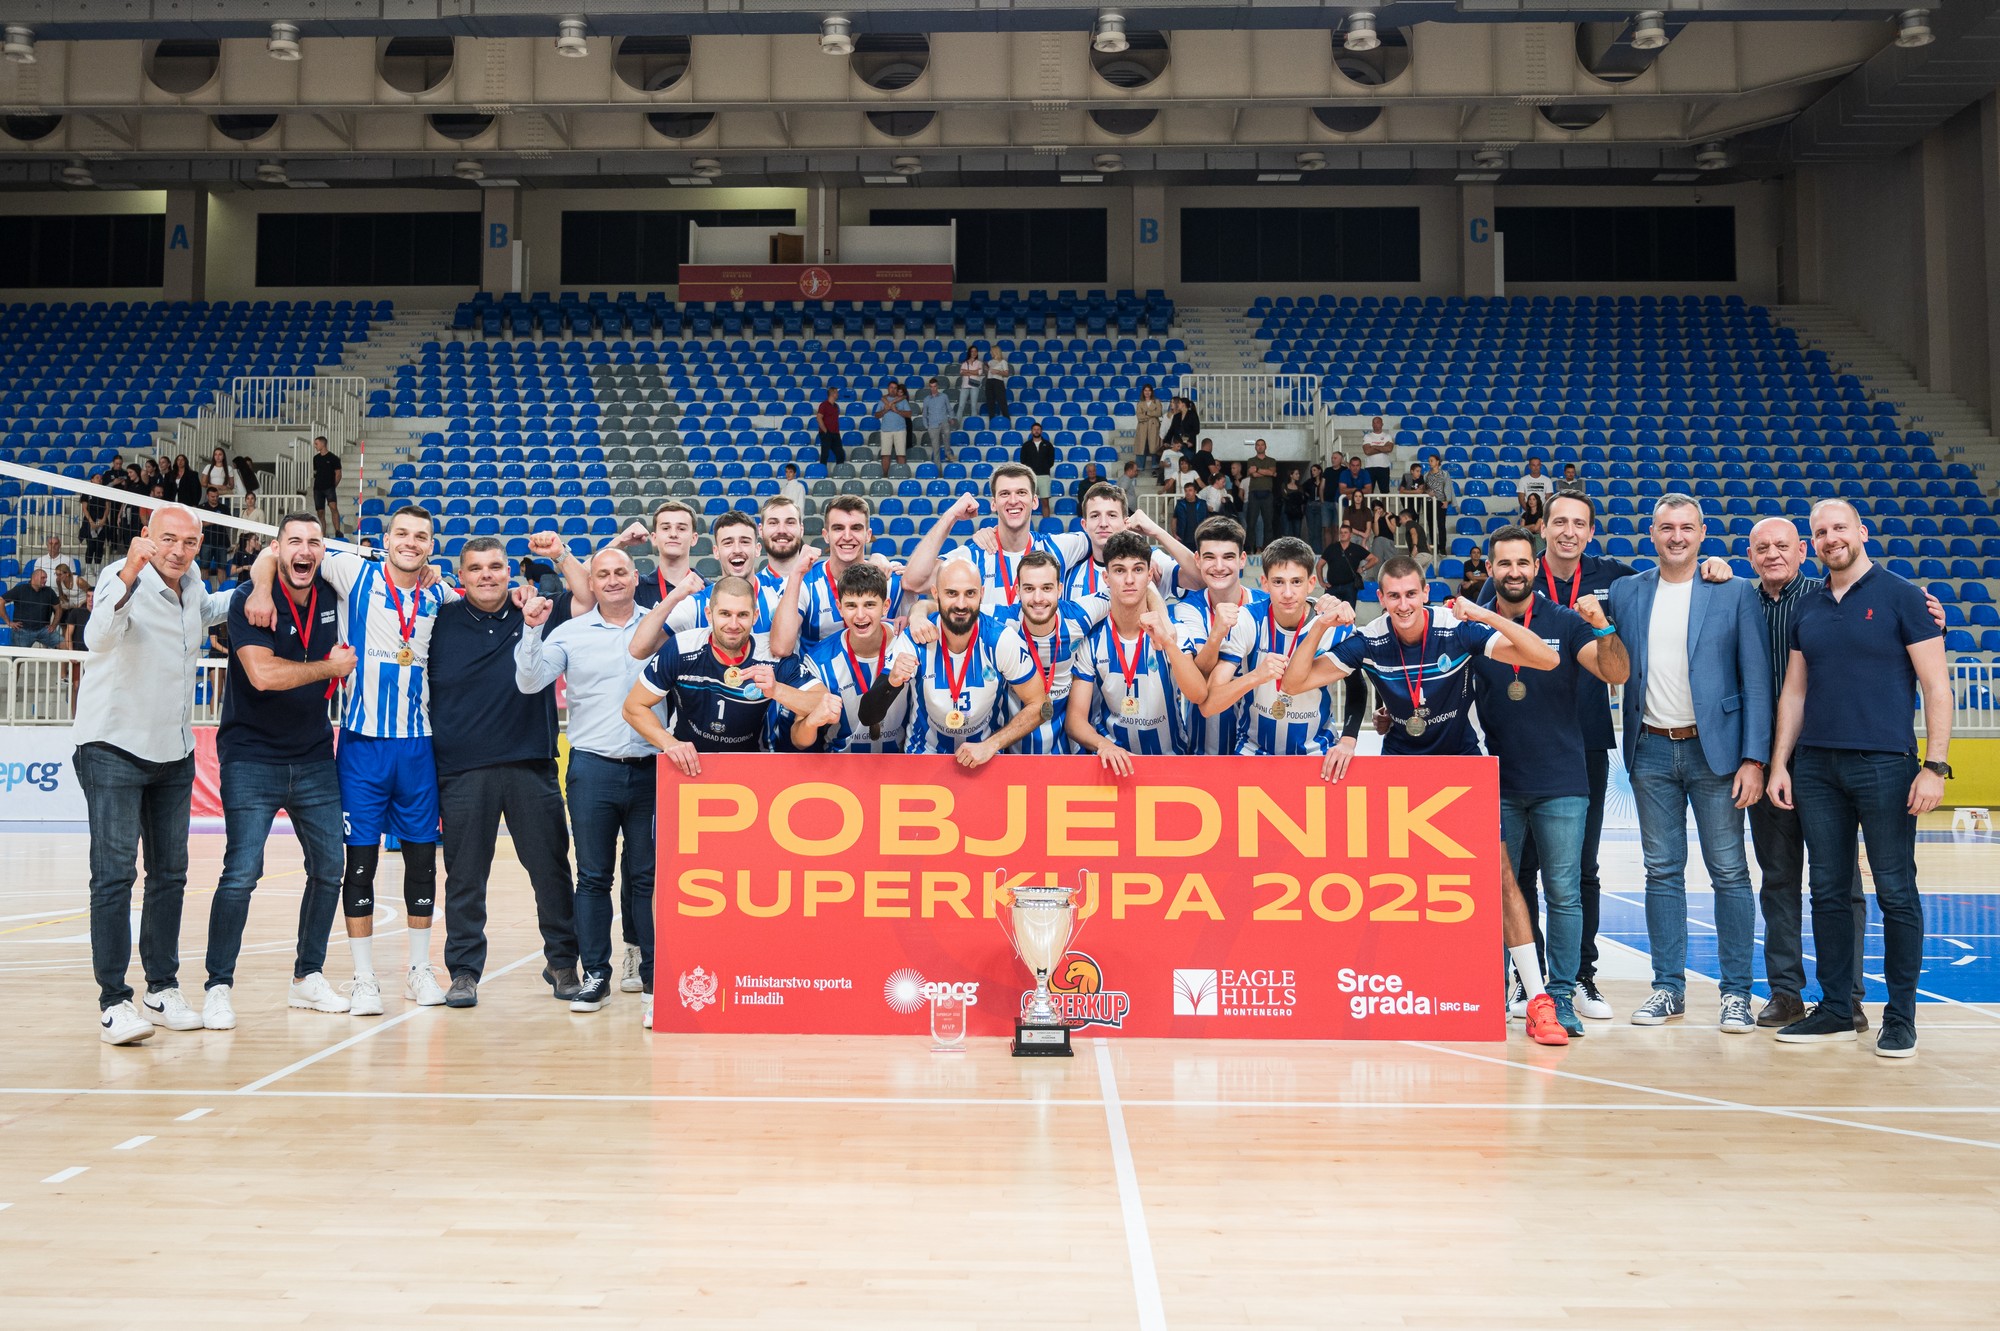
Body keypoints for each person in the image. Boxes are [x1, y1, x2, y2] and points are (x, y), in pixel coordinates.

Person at [1290, 557, 1570, 1046]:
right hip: (1403, 767)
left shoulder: (1455, 629)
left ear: (1425, 593)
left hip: (1462, 764)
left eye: (1411, 595)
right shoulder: (1371, 639)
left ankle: (1538, 999)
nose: (1403, 605)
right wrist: (1319, 624)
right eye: (1393, 596)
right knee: (1396, 882)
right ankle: (1408, 985)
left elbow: (1546, 659)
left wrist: (1485, 616)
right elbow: (1294, 683)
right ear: (1381, 597)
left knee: (1500, 877)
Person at [245, 505, 458, 1018]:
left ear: (432, 545)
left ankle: (418, 969)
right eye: (402, 534)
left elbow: (488, 597)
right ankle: (363, 979)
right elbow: (278, 552)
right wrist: (256, 587)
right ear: (385, 539)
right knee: (357, 865)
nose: (411, 543)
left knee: (422, 863)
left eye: (421, 537)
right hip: (362, 745)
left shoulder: (441, 592)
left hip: (418, 745)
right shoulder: (352, 570)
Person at [1768, 498, 1951, 1058]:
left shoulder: (1903, 597)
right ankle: (1838, 1011)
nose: (1830, 538)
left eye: (1838, 528)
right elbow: (1794, 691)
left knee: (1896, 893)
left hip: (1886, 766)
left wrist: (1935, 766)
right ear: (1813, 544)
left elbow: (1937, 687)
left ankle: (1900, 1018)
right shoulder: (1810, 605)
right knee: (1826, 892)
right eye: (1820, 532)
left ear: (1861, 532)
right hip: (1817, 767)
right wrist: (1780, 762)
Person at [1605, 494, 1772, 1032]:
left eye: (1686, 528)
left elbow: (1756, 680)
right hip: (1650, 749)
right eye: (1665, 528)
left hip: (1716, 752)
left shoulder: (1733, 590)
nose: (1676, 536)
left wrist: (1754, 757)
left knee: (1729, 872)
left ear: (1702, 533)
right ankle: (1668, 987)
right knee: (1661, 872)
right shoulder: (1627, 591)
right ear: (1650, 534)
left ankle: (1736, 994)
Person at [74, 505, 233, 1045]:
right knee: (114, 876)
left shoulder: (192, 585)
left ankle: (161, 988)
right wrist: (126, 574)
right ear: (146, 538)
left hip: (174, 752)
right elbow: (96, 638)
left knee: (170, 877)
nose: (178, 550)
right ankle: (114, 1002)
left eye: (189, 542)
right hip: (112, 748)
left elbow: (216, 608)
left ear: (198, 543)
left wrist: (269, 573)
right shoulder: (116, 578)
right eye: (167, 539)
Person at [1471, 526, 1630, 1037]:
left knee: (1564, 892)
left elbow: (1616, 674)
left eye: (1522, 563)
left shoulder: (1564, 621)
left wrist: (1603, 626)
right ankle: (1501, 988)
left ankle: (1560, 995)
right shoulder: (1477, 628)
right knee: (1500, 892)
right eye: (1504, 564)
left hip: (1562, 778)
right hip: (1496, 782)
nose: (1514, 572)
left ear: (1534, 567)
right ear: (1490, 570)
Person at [201, 512, 357, 1030]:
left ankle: (307, 977)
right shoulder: (252, 598)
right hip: (251, 756)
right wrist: (328, 669)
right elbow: (263, 675)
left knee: (330, 868)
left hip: (314, 755)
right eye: (294, 541)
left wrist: (425, 575)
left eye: (315, 542)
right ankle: (218, 987)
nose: (305, 550)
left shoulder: (335, 595)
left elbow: (389, 578)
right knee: (242, 873)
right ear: (277, 548)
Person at [429, 535, 584, 1009]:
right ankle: (463, 972)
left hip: (531, 765)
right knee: (465, 879)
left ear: (510, 572)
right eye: (475, 568)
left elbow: (587, 594)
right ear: (461, 575)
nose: (486, 575)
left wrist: (558, 555)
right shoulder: (439, 621)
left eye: (495, 566)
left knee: (551, 873)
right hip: (462, 769)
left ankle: (563, 963)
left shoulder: (535, 611)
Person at [518, 548, 664, 1025]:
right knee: (594, 877)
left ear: (635, 576)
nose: (613, 579)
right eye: (603, 574)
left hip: (651, 768)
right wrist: (532, 629)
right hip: (592, 769)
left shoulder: (663, 626)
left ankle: (652, 974)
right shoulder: (570, 632)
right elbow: (530, 681)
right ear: (592, 583)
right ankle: (596, 974)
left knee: (645, 878)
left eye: (621, 571)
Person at [1744, 516, 1867, 1031]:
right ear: (1749, 556)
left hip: (1822, 759)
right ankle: (1786, 993)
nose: (1772, 554)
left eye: (1782, 546)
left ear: (1801, 550)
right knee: (1777, 881)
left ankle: (1846, 997)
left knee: (1837, 881)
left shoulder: (1828, 595)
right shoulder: (1739, 600)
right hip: (1762, 759)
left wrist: (1933, 616)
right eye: (1761, 547)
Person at [867, 560, 1046, 761]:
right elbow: (868, 715)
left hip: (985, 760)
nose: (961, 604)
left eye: (970, 593)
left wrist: (991, 744)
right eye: (951, 593)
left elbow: (1041, 706)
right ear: (936, 594)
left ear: (981, 594)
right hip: (922, 758)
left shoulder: (1001, 639)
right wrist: (891, 681)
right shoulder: (915, 639)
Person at [1199, 536, 1359, 760]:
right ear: (1264, 583)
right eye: (1278, 582)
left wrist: (1348, 740)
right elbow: (1209, 705)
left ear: (1311, 583)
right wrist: (1256, 676)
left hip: (1317, 754)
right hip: (1253, 752)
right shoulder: (1247, 620)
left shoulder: (1334, 624)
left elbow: (1358, 687)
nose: (1287, 593)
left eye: (1296, 582)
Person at [1066, 531, 1210, 765]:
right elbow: (1075, 720)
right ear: (1106, 577)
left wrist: (1168, 643)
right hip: (1112, 762)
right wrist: (1105, 746)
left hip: (1169, 760)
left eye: (1138, 569)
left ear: (1150, 574)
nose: (1129, 579)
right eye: (1120, 570)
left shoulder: (1174, 628)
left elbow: (1198, 694)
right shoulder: (1092, 638)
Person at [793, 562, 916, 754]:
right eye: (851, 606)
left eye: (869, 605)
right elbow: (799, 740)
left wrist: (920, 612)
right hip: (839, 769)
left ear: (886, 607)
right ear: (839, 608)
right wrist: (812, 721)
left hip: (899, 767)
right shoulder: (818, 659)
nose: (860, 615)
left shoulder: (907, 645)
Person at [628, 499, 700, 609]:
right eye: (666, 528)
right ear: (654, 538)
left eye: (681, 528)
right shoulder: (636, 589)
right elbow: (593, 579)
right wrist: (620, 541)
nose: (673, 534)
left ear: (694, 539)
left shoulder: (709, 589)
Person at [5, 567, 63, 648]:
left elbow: (58, 608)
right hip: (22, 631)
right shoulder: (20, 589)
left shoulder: (49, 591)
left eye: (46, 578)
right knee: (18, 658)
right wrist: (8, 622)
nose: (45, 580)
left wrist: (54, 625)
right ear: (34, 577)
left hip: (44, 630)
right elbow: (1, 601)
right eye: (43, 578)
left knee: (65, 646)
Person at [1317, 524, 1367, 607]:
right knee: (1327, 614)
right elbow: (1319, 565)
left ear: (1350, 534)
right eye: (1341, 533)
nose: (1343, 534)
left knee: (1349, 617)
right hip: (1332, 586)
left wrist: (1363, 568)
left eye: (1345, 532)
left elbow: (1374, 559)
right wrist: (1321, 582)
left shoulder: (1356, 548)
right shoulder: (1332, 548)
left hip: (1349, 586)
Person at [1244, 439, 1279, 552]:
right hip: (1254, 493)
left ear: (1265, 446)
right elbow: (1253, 474)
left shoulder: (1271, 460)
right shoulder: (1251, 460)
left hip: (1267, 493)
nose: (1260, 447)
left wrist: (1258, 470)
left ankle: (1268, 549)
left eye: (1262, 445)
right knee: (1251, 523)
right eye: (1257, 445)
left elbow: (1271, 472)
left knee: (1268, 523)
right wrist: (1267, 473)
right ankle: (1250, 549)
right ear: (1255, 447)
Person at [874, 378, 912, 476]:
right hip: (886, 430)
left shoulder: (902, 400)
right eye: (891, 387)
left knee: (901, 455)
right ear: (888, 388)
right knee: (885, 455)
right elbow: (877, 415)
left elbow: (908, 414)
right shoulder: (883, 400)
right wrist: (885, 410)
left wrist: (897, 411)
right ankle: (885, 476)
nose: (893, 390)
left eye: (895, 388)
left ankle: (901, 475)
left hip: (900, 431)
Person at [1020, 421, 1056, 518]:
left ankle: (1047, 524)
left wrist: (1043, 467)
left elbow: (1051, 461)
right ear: (1031, 431)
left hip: (1044, 476)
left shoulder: (1048, 445)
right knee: (1028, 502)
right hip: (1030, 477)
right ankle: (1026, 526)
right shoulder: (1026, 445)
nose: (1036, 431)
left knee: (1045, 502)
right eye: (1034, 429)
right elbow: (1023, 461)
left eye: (1038, 429)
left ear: (1041, 431)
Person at [1424, 450, 1456, 548]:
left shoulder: (1444, 474)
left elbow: (1448, 487)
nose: (1430, 463)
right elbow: (1424, 487)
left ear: (1437, 462)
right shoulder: (1426, 474)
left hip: (1441, 502)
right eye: (1429, 461)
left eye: (1431, 460)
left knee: (1441, 525)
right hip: (1429, 502)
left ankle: (1442, 547)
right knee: (1431, 524)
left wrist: (1446, 501)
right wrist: (1427, 492)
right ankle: (1434, 545)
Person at [53, 565, 88, 648]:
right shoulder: (59, 581)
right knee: (59, 608)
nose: (58, 577)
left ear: (67, 574)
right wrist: (64, 602)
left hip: (83, 601)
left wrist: (81, 603)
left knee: (76, 613)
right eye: (56, 574)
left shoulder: (79, 581)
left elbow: (91, 593)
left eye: (60, 574)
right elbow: (61, 594)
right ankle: (61, 632)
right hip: (71, 602)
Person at [917, 377, 951, 460]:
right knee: (936, 449)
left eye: (934, 386)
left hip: (943, 422)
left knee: (947, 436)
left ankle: (948, 455)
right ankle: (938, 471)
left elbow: (949, 408)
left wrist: (951, 417)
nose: (933, 388)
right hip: (932, 425)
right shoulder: (926, 399)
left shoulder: (944, 396)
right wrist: (927, 427)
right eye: (931, 386)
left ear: (937, 386)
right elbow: (924, 414)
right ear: (929, 387)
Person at [1359, 416, 1395, 493]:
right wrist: (1383, 448)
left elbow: (1389, 449)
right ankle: (1367, 505)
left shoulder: (1387, 436)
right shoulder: (1367, 436)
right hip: (1370, 467)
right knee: (1368, 491)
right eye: (1374, 423)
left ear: (1382, 424)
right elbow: (1367, 451)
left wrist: (1374, 447)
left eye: (1377, 422)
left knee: (1385, 492)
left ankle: (1385, 506)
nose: (1375, 424)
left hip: (1384, 467)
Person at [1134, 384, 1163, 472]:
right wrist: (1151, 414)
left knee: (1154, 447)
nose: (1147, 392)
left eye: (1149, 390)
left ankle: (1155, 467)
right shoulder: (1140, 403)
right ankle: (1139, 467)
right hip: (1142, 427)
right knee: (1141, 447)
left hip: (1153, 427)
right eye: (1145, 390)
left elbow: (1159, 413)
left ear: (1151, 392)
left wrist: (1146, 413)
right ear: (1143, 392)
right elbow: (1139, 416)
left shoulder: (1156, 401)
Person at [81, 485, 111, 566]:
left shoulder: (104, 491)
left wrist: (104, 519)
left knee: (99, 546)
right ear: (92, 480)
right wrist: (91, 521)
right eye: (97, 477)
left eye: (101, 478)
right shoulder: (87, 491)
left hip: (102, 521)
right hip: (89, 522)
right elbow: (84, 508)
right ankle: (88, 568)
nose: (99, 479)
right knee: (90, 546)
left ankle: (97, 569)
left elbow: (107, 507)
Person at [815, 386, 845, 469]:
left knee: (840, 454)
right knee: (825, 454)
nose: (838, 394)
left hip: (835, 433)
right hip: (826, 433)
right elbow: (819, 418)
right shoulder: (824, 405)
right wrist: (825, 431)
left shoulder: (836, 406)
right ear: (833, 393)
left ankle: (839, 471)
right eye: (837, 392)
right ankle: (822, 471)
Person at [1338, 456, 1371, 525]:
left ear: (1360, 466)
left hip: (1359, 504)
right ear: (1349, 466)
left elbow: (1368, 490)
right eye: (1353, 465)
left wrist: (1353, 494)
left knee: (1360, 524)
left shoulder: (1365, 473)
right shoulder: (1344, 473)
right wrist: (1355, 490)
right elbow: (1342, 490)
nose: (1355, 468)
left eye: (1357, 465)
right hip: (1343, 503)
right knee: (1343, 524)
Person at [957, 346, 986, 422]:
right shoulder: (964, 363)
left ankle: (973, 423)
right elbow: (961, 373)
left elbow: (979, 373)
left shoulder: (979, 363)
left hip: (974, 386)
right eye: (972, 351)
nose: (974, 353)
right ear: (969, 352)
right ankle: (956, 424)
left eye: (975, 351)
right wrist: (974, 372)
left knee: (973, 406)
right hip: (965, 386)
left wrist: (967, 371)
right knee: (961, 405)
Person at [984, 345, 1013, 419]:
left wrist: (997, 371)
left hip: (998, 382)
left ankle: (1007, 419)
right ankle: (992, 420)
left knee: (1002, 401)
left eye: (991, 351)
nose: (990, 353)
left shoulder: (1003, 362)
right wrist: (986, 370)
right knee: (990, 402)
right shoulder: (990, 362)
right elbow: (988, 374)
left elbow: (1006, 374)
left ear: (995, 352)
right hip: (989, 381)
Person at [1174, 482, 1205, 549]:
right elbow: (1174, 519)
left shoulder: (1202, 503)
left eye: (1190, 490)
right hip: (1183, 537)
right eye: (1186, 491)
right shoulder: (1180, 504)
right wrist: (1174, 534)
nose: (1187, 493)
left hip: (1199, 537)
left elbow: (1206, 520)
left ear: (1195, 491)